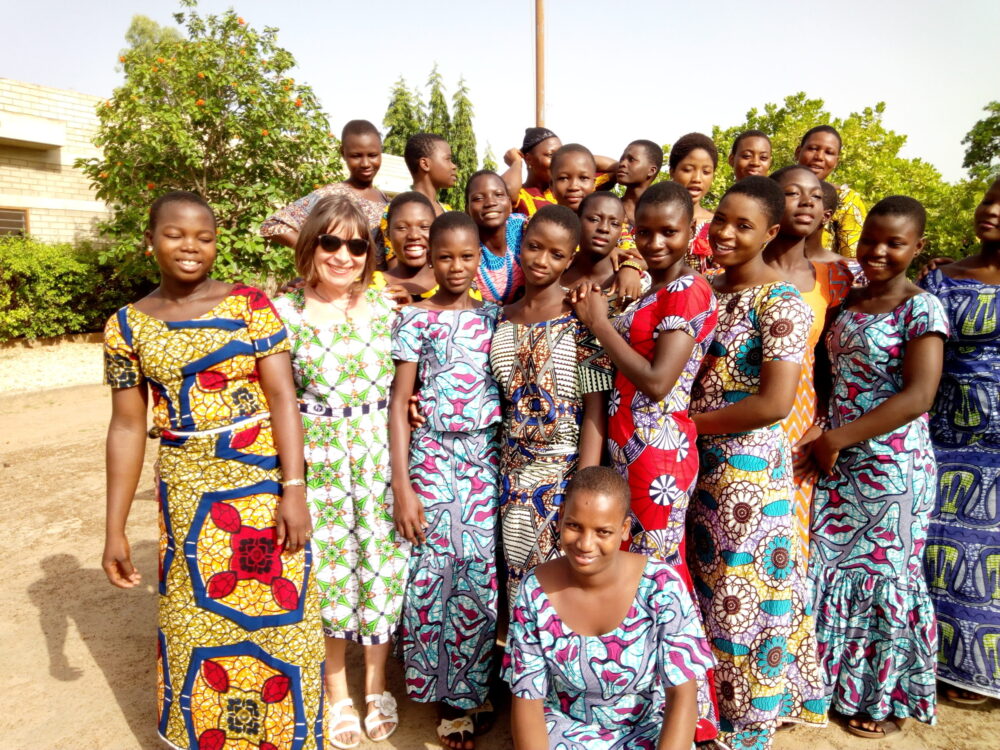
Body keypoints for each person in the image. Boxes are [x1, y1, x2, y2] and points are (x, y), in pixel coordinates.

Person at [102, 191, 325, 749]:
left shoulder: (250, 305)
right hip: (186, 495)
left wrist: (292, 489)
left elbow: (282, 399)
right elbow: (128, 428)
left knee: (284, 629)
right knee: (191, 625)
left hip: (260, 488)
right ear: (150, 240)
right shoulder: (125, 328)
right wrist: (114, 528)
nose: (190, 247)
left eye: (204, 237)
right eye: (175, 234)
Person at [570, 181, 721, 745]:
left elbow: (658, 382)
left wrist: (600, 323)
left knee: (660, 581)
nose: (656, 242)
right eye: (647, 231)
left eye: (669, 231)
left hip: (658, 453)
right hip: (632, 447)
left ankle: (692, 717)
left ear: (691, 233)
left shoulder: (688, 292)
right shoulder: (656, 291)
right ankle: (646, 702)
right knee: (637, 575)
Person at [688, 177, 826, 749]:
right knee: (701, 590)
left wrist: (684, 425)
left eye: (743, 225)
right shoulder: (703, 290)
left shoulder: (781, 302)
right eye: (721, 218)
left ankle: (747, 727)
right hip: (692, 469)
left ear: (771, 233)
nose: (724, 231)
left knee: (742, 598)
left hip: (745, 475)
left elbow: (772, 402)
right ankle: (702, 715)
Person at [809, 196, 948, 739]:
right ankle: (829, 686)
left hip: (894, 470)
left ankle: (882, 700)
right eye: (871, 240)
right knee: (833, 571)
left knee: (887, 581)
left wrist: (836, 438)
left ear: (917, 248)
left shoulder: (922, 308)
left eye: (895, 243)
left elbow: (919, 395)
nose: (879, 251)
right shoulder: (851, 300)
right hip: (840, 467)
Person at [273, 195, 410, 748]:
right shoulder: (282, 313)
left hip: (380, 456)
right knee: (328, 575)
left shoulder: (385, 306)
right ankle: (338, 692)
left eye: (356, 245)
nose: (344, 255)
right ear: (310, 246)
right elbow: (278, 399)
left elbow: (408, 383)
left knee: (381, 568)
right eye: (331, 242)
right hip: (322, 458)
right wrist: (294, 486)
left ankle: (376, 685)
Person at [390, 212, 502, 750]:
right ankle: (446, 696)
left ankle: (475, 687)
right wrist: (402, 485)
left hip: (485, 460)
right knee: (433, 576)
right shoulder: (415, 320)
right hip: (431, 457)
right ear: (429, 260)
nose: (456, 266)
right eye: (444, 257)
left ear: (480, 256)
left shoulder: (497, 318)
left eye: (465, 256)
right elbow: (398, 402)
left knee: (478, 575)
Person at [503, 466, 715, 750]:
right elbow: (527, 699)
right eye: (574, 525)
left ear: (624, 529)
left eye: (603, 531)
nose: (585, 544)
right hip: (564, 730)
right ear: (561, 515)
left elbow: (682, 696)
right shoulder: (535, 590)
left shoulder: (660, 586)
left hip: (647, 729)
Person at [490, 204, 613, 609]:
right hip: (509, 474)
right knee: (517, 588)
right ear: (520, 246)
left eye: (556, 254)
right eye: (534, 247)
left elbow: (595, 407)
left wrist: (584, 484)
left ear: (571, 258)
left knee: (559, 592)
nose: (541, 261)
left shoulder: (579, 315)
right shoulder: (500, 318)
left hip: (562, 475)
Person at [921, 177, 1000, 707]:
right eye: (988, 200)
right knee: (947, 552)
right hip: (949, 431)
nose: (990, 210)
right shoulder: (942, 279)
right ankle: (947, 666)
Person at [763, 165, 854, 562]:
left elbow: (836, 360)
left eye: (815, 196)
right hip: (743, 419)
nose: (806, 202)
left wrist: (823, 425)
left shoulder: (835, 279)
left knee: (790, 540)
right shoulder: (735, 272)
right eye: (792, 193)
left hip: (802, 424)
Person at [261, 119, 389, 250]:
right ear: (343, 153)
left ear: (381, 151)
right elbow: (271, 226)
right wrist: (318, 251)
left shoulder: (385, 200)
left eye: (373, 155)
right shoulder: (332, 194)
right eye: (356, 156)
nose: (365, 164)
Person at [378, 132, 458, 264]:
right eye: (448, 159)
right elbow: (395, 268)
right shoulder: (396, 211)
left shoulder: (448, 211)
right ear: (425, 164)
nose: (453, 166)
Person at [795, 125, 867, 258]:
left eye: (829, 152)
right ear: (798, 152)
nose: (819, 157)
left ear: (836, 161)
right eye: (813, 148)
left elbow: (853, 258)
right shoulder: (774, 190)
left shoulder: (846, 200)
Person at [465, 170, 528, 304]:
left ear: (510, 204)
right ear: (467, 210)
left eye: (499, 195)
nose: (490, 203)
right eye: (478, 198)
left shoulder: (525, 229)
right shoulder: (464, 246)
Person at [669, 132, 718, 274]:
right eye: (688, 170)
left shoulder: (719, 225)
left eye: (706, 172)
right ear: (672, 171)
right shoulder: (653, 219)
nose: (697, 178)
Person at [376, 191, 438, 301]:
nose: (414, 236)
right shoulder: (370, 286)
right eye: (402, 228)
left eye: (424, 227)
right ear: (387, 234)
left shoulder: (455, 285)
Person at [615, 139, 663, 226]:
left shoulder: (660, 215)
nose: (622, 163)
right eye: (622, 159)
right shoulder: (610, 208)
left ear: (651, 171)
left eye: (631, 160)